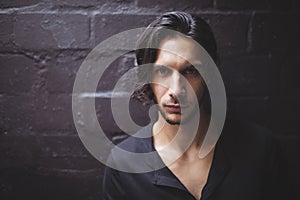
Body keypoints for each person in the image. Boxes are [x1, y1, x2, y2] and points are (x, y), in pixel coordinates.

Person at [102, 11, 289, 200]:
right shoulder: (123, 165)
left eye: (191, 70)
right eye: (162, 71)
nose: (175, 90)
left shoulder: (261, 149)